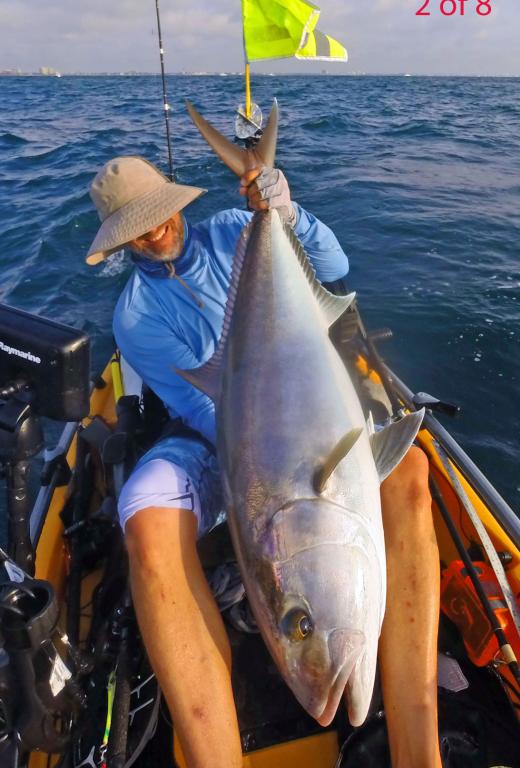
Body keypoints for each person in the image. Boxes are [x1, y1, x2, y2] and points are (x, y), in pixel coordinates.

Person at [86, 155, 442, 768]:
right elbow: (203, 410)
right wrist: (259, 490)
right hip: (217, 434)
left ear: (177, 203)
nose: (156, 230)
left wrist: (286, 212)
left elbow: (334, 268)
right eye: (137, 227)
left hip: (305, 409)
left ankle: (420, 750)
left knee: (409, 475)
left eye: (160, 213)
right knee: (143, 515)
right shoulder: (136, 315)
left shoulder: (232, 229)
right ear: (121, 240)